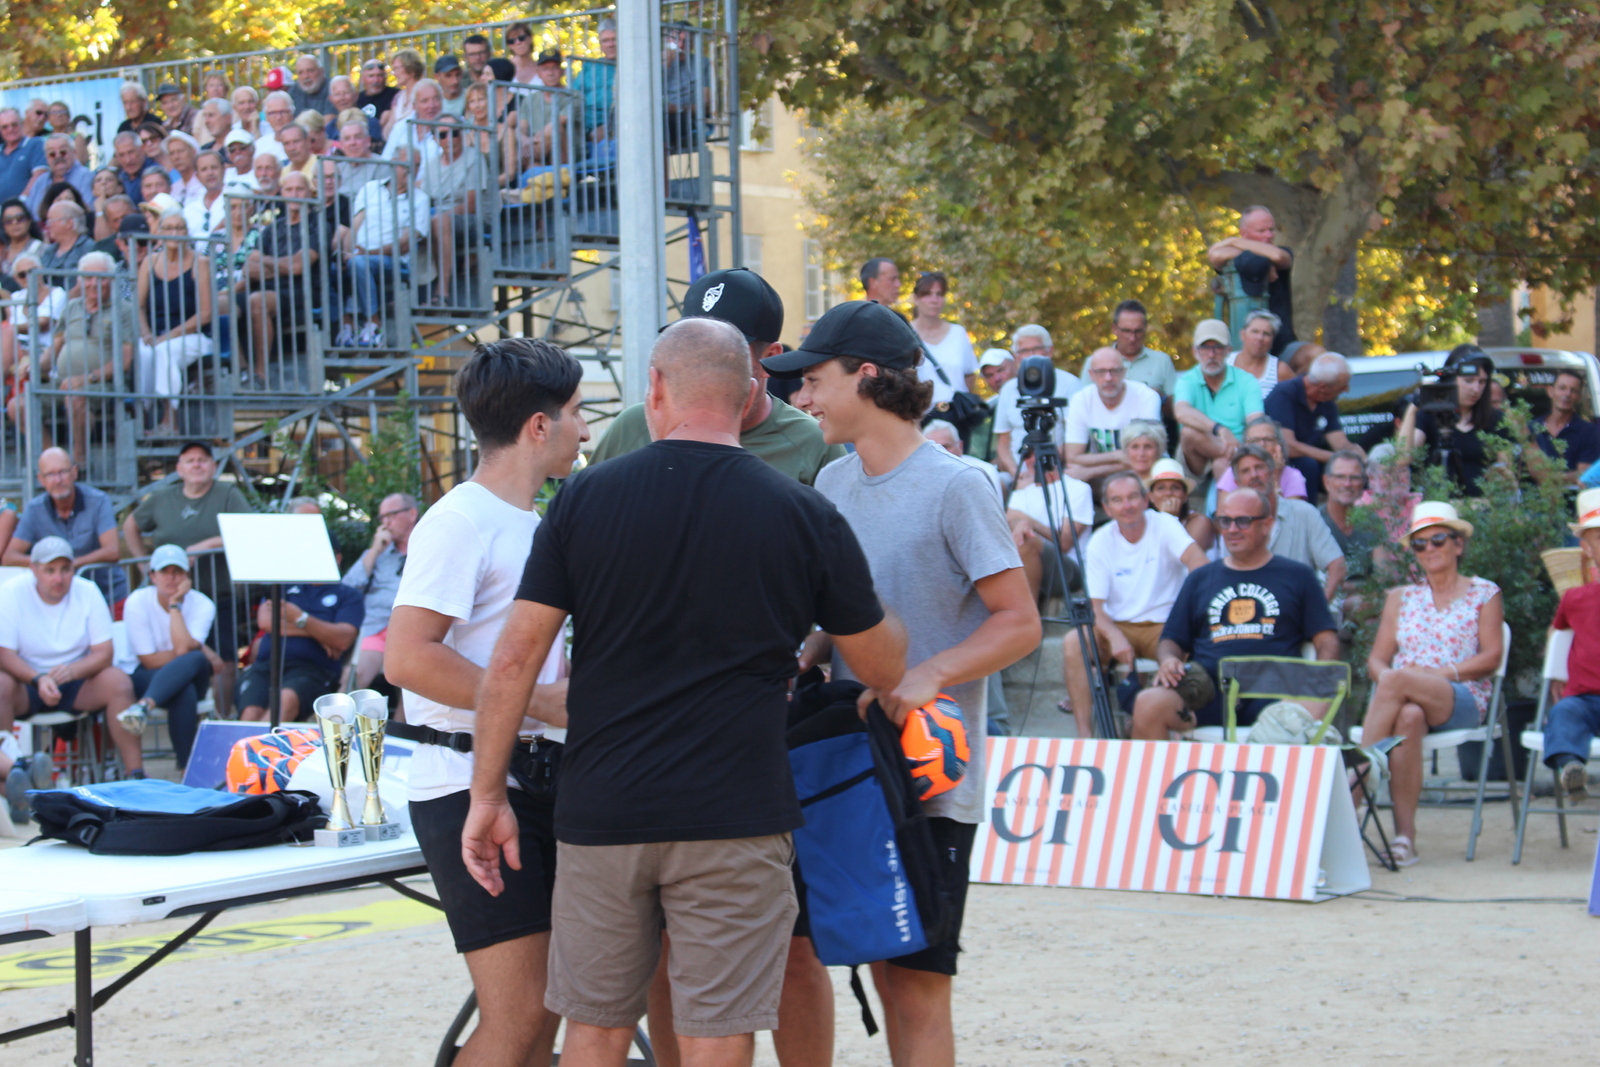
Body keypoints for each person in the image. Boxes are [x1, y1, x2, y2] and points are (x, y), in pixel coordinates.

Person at [465, 317, 906, 1067]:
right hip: (736, 812)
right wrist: (861, 585)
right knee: (719, 1030)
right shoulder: (803, 512)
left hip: (605, 806)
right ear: (750, 393)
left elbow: (514, 662)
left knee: (595, 1027)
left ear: (656, 388)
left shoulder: (584, 498)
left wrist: (486, 796)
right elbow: (882, 663)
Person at [765, 299, 1039, 1067]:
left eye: (814, 379)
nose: (803, 397)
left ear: (866, 375)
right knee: (824, 960)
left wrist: (929, 673)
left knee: (913, 987)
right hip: (846, 772)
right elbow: (846, 611)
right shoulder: (833, 481)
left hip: (929, 780)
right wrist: (810, 650)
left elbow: (1019, 622)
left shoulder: (958, 484)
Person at [385, 338, 583, 1067]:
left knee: (543, 1015)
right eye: (577, 412)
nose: (584, 429)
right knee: (519, 1018)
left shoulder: (535, 521)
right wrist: (540, 704)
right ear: (539, 425)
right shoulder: (459, 519)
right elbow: (408, 657)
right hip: (464, 779)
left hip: (535, 776)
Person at [590, 268, 845, 485]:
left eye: (725, 351)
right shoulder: (634, 426)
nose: (702, 363)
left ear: (771, 357)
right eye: (691, 344)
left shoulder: (813, 444)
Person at [1360, 501, 1503, 866]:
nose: (1429, 549)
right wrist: (1395, 682)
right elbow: (1376, 660)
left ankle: (1356, 781)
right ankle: (1404, 839)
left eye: (1438, 540)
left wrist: (1432, 675)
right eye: (1420, 544)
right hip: (1406, 697)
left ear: (1458, 544)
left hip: (1462, 696)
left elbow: (1492, 657)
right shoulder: (1401, 598)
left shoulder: (1484, 592)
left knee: (1398, 681)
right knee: (1408, 716)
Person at [1130, 488, 1338, 739]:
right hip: (1208, 693)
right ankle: (1163, 768)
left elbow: (1327, 642)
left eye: (1243, 521)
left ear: (1267, 525)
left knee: (1313, 702)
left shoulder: (1297, 576)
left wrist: (1316, 681)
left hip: (1277, 695)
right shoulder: (1200, 579)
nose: (1232, 529)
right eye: (1225, 521)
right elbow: (1171, 640)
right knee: (1148, 704)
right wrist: (1168, 661)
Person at [1068, 470, 1207, 737]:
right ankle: (1085, 737)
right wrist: (1115, 636)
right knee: (1075, 642)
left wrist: (1188, 612)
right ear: (1107, 507)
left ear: (1146, 500)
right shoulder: (1100, 541)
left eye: (1133, 497)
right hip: (1119, 624)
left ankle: (1179, 725)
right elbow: (1095, 606)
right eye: (1117, 500)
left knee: (1197, 644)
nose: (1127, 505)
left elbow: (1199, 563)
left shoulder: (1165, 524)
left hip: (1166, 625)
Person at [124, 441, 255, 714]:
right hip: (170, 596)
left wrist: (205, 546)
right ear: (179, 468)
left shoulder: (228, 493)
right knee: (181, 657)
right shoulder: (162, 497)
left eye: (203, 459)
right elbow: (131, 525)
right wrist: (143, 565)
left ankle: (222, 720)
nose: (197, 464)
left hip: (218, 593)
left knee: (224, 662)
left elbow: (247, 530)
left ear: (214, 466)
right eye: (190, 460)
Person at [0, 537, 143, 776]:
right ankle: (9, 775)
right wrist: (37, 678)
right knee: (1, 684)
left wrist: (72, 671)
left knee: (118, 682)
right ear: (33, 569)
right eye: (50, 570)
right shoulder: (11, 592)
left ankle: (136, 773)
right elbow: (4, 654)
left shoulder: (88, 591)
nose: (59, 578)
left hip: (78, 681)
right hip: (25, 682)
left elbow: (105, 653)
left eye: (65, 569)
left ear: (74, 568)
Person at [121, 543, 224, 770]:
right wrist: (191, 649)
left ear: (187, 576)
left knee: (195, 659)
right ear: (152, 576)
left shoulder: (203, 604)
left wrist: (175, 604)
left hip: (185, 675)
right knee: (184, 687)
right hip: (149, 675)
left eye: (177, 571)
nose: (171, 577)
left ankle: (144, 707)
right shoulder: (137, 601)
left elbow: (182, 650)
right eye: (164, 571)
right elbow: (149, 660)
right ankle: (187, 770)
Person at [27, 252, 135, 458]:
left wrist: (85, 378)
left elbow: (124, 360)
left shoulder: (124, 310)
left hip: (102, 384)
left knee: (75, 398)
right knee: (19, 405)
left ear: (112, 280)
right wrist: (34, 367)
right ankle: (53, 460)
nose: (94, 284)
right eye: (88, 278)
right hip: (63, 382)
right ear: (80, 280)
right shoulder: (71, 308)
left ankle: (80, 459)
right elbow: (54, 349)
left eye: (101, 278)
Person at [236, 561, 363, 722]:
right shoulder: (284, 587)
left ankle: (267, 740)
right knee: (250, 712)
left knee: (285, 701)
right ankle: (253, 740)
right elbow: (266, 622)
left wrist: (299, 617)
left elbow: (343, 639)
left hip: (313, 670)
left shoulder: (349, 595)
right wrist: (319, 633)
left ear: (338, 558)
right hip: (267, 665)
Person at [4, 447, 127, 603]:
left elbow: (112, 551)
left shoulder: (98, 501)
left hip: (108, 596)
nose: (58, 480)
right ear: (41, 479)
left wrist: (70, 564)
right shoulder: (34, 509)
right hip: (57, 601)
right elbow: (10, 557)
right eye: (50, 474)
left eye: (63, 472)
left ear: (74, 472)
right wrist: (49, 565)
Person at [1539, 488, 1600, 800]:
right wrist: (1556, 671)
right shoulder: (1575, 598)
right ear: (1586, 548)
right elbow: (1556, 630)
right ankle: (1571, 768)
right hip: (1586, 700)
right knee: (1564, 712)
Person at [339, 147, 429, 348]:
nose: (412, 170)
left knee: (359, 263)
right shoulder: (370, 188)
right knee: (333, 267)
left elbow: (405, 245)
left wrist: (366, 253)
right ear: (394, 164)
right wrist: (347, 252)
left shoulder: (420, 199)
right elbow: (355, 226)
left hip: (394, 261)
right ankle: (347, 326)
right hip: (361, 255)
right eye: (407, 165)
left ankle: (374, 325)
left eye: (416, 166)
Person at [1228, 445, 1346, 600]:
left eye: (1259, 467)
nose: (1254, 475)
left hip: (1298, 608)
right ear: (1237, 483)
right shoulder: (1232, 526)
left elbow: (1337, 565)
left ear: (1273, 474)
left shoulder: (1304, 513)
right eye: (1246, 471)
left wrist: (1318, 608)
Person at [136, 209, 213, 428]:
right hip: (156, 334)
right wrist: (146, 333)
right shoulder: (150, 262)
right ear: (160, 232)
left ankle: (171, 419)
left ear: (187, 232)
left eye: (179, 228)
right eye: (169, 228)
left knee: (164, 351)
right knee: (142, 353)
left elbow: (205, 313)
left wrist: (167, 337)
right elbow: (139, 305)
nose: (174, 233)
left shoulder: (200, 262)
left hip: (194, 336)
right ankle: (143, 415)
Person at [342, 492, 418, 690]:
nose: (385, 523)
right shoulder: (378, 554)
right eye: (382, 517)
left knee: (414, 686)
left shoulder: (428, 549)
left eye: (391, 515)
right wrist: (375, 550)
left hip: (414, 630)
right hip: (376, 629)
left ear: (412, 514)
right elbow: (348, 588)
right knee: (354, 677)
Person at [1411, 346, 1508, 497]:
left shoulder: (1495, 419)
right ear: (1450, 379)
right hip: (1439, 506)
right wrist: (1413, 407)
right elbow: (1405, 457)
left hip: (1483, 505)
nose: (1476, 389)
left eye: (1482, 382)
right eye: (1469, 381)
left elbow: (1506, 469)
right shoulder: (1429, 415)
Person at [1174, 318, 1263, 481]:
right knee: (1188, 433)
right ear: (1195, 352)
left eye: (1218, 348)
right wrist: (1220, 430)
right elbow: (1182, 412)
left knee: (1221, 463)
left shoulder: (1247, 381)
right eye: (1205, 348)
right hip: (1196, 461)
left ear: (1229, 351)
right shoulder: (1187, 381)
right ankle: (1241, 460)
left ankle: (1238, 462)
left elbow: (1256, 422)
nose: (1212, 354)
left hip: (1236, 449)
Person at [989, 324, 1081, 482]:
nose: (1031, 355)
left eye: (1037, 348)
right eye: (1024, 351)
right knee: (995, 484)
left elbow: (1074, 439)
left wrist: (1046, 472)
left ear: (1050, 351)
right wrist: (1016, 473)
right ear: (1017, 357)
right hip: (1017, 473)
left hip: (1059, 470)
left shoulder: (1070, 384)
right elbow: (1003, 444)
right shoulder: (1008, 389)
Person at [1006, 444, 1093, 602]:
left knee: (1027, 542)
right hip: (1025, 562)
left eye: (1035, 454)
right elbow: (1010, 522)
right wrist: (1020, 522)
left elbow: (1065, 542)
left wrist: (1029, 523)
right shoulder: (1020, 493)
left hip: (1069, 570)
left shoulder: (1078, 488)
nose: (1031, 460)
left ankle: (1026, 614)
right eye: (1026, 456)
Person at [1208, 205, 1296, 355]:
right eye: (1261, 231)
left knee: (1315, 355)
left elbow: (1278, 256)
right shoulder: (1236, 258)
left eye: (1271, 229)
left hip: (1283, 343)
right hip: (1244, 345)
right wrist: (1260, 259)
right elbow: (1215, 255)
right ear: (1244, 233)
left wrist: (1234, 241)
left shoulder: (1283, 251)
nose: (1269, 235)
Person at [1063, 347, 1162, 481]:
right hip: (1104, 479)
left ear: (1124, 372)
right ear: (1091, 375)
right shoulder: (1081, 400)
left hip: (1145, 475)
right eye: (1101, 372)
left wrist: (1091, 471)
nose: (1108, 378)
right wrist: (1117, 456)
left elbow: (1145, 458)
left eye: (1114, 371)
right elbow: (1072, 457)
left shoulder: (1146, 396)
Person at [1264, 351, 1359, 490]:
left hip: (1312, 460)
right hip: (1281, 463)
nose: (1347, 390)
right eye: (1342, 386)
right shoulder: (1284, 394)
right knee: (1308, 464)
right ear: (1323, 387)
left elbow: (1339, 442)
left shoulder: (1327, 400)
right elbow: (1287, 446)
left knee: (1354, 469)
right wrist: (1337, 458)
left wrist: (1355, 453)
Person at [1319, 449, 1377, 615]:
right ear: (1326, 482)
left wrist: (1351, 587)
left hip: (1368, 599)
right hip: (1326, 602)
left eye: (1354, 477)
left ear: (1363, 482)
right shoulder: (1314, 522)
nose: (1347, 484)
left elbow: (1383, 576)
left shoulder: (1371, 522)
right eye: (1340, 477)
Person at [908, 270, 978, 405]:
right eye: (927, 294)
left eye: (939, 294)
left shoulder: (958, 333)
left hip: (956, 412)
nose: (934, 300)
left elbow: (970, 375)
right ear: (916, 298)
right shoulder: (906, 334)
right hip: (921, 414)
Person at [1530, 367, 1600, 485]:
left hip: (1569, 496)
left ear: (1579, 397)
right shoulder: (1531, 428)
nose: (1567, 394)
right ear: (1550, 391)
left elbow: (1584, 475)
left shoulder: (1590, 432)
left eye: (1574, 390)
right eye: (1562, 388)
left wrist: (1548, 477)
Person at [1215, 415, 1311, 500]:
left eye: (1268, 439)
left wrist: (1275, 475)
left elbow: (1290, 514)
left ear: (1279, 444)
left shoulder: (1293, 476)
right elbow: (1223, 512)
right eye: (1255, 440)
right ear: (1245, 445)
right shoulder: (1233, 473)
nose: (1262, 444)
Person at [1101, 299, 1177, 399]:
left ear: (1145, 329)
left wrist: (1158, 397)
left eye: (1138, 331)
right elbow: (1085, 403)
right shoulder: (1096, 362)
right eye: (1126, 331)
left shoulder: (1162, 361)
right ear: (1114, 329)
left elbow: (1177, 405)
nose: (1132, 338)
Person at [1226, 309, 1292, 404]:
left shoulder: (1279, 370)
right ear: (1242, 335)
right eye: (1255, 331)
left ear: (1272, 340)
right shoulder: (1225, 362)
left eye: (1266, 334)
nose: (1260, 338)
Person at [1148, 458, 1213, 552]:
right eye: (1161, 488)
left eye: (1175, 488)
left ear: (1185, 495)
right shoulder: (1143, 522)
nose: (1168, 493)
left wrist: (1169, 519)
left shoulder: (1200, 522)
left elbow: (1181, 558)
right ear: (1151, 496)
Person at [22, 133, 93, 219]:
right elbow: (28, 212)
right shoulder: (41, 181)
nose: (58, 156)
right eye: (52, 154)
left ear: (74, 152)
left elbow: (88, 210)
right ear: (46, 158)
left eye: (63, 152)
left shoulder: (86, 176)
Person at [574, 19, 617, 150]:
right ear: (600, 44)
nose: (610, 44)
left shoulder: (631, 64)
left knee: (600, 134)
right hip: (585, 124)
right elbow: (574, 94)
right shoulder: (590, 66)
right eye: (605, 40)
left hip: (616, 121)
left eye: (614, 39)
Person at [37, 200, 94, 287]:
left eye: (51, 221)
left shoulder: (89, 248)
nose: (47, 225)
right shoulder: (50, 250)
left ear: (69, 223)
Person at [0, 108, 44, 204]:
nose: (10, 129)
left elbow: (40, 175)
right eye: (5, 127)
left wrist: (21, 200)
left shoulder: (35, 144)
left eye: (14, 124)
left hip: (25, 206)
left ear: (22, 124)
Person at [183, 150, 229, 238]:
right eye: (204, 169)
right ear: (197, 176)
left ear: (224, 169)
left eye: (214, 167)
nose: (210, 173)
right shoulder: (190, 206)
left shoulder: (235, 198)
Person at [383, 49, 428, 137]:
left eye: (397, 68)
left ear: (411, 69)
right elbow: (389, 128)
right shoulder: (398, 97)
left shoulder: (426, 92)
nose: (394, 74)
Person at [112, 131, 161, 202]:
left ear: (142, 149)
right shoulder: (120, 177)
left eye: (131, 152)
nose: (128, 160)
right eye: (121, 155)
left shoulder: (155, 173)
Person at [0, 198, 42, 279]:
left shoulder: (42, 249)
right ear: (3, 226)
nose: (15, 223)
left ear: (29, 220)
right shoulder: (2, 250)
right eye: (8, 220)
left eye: (20, 218)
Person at [357, 58, 399, 133]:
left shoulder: (395, 95)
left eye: (380, 75)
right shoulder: (357, 98)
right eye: (371, 76)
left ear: (385, 77)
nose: (376, 80)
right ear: (362, 78)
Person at [255, 92, 296, 163]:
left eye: (283, 112)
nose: (278, 117)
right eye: (273, 113)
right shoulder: (259, 146)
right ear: (266, 117)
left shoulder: (302, 144)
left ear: (292, 113)